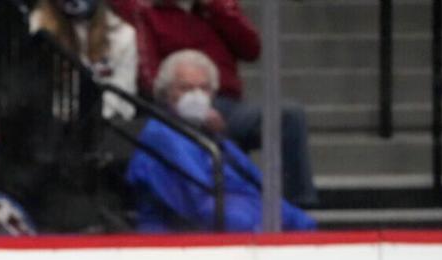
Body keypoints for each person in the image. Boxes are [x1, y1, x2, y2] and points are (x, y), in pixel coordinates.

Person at [115, 0, 317, 208]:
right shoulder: (146, 11)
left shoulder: (218, 8)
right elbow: (150, 77)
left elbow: (251, 48)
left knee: (290, 116)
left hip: (226, 102)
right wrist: (184, 104)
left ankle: (297, 206)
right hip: (176, 104)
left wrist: (216, 7)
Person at [125, 50, 315, 232]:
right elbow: (196, 201)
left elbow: (252, 181)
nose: (196, 95)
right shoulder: (161, 134)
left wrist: (221, 137)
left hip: (230, 208)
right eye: (185, 88)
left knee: (300, 221)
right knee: (243, 220)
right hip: (183, 227)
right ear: (166, 92)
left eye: (203, 88)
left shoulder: (210, 134)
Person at [30, 0, 138, 122]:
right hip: (50, 125)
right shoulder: (37, 27)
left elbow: (121, 102)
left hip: (102, 127)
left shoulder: (123, 36)